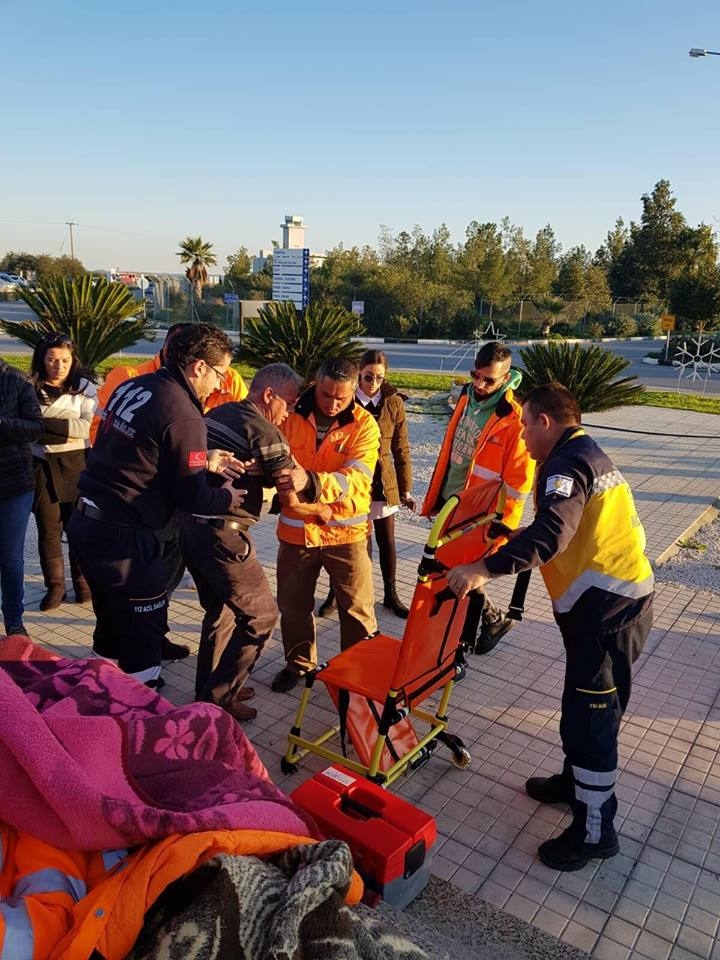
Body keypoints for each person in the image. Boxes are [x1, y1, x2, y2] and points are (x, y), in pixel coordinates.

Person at [447, 382, 654, 871]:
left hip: (609, 614)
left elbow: (555, 533)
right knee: (578, 707)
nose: (521, 436)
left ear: (544, 420)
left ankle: (595, 832)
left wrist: (483, 570)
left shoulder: (566, 462)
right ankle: (571, 781)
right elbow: (568, 524)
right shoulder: (579, 452)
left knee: (592, 720)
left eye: (524, 425)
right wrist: (516, 534)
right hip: (605, 608)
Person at [67, 323, 246, 688]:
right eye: (219, 375)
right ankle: (139, 714)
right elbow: (192, 497)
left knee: (110, 626)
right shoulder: (183, 413)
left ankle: (99, 696)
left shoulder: (133, 386)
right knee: (142, 638)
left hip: (87, 525)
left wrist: (201, 457)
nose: (220, 385)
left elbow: (136, 450)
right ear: (198, 367)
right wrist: (227, 497)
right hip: (126, 541)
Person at [178, 363, 315, 723]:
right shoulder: (264, 429)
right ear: (268, 395)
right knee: (261, 615)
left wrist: (265, 470)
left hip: (191, 528)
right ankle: (220, 698)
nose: (289, 413)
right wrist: (290, 477)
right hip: (224, 535)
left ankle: (211, 688)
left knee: (221, 611)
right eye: (288, 403)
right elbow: (289, 479)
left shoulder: (222, 412)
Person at [271, 357, 381, 694]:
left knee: (357, 609)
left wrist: (312, 482)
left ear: (354, 392)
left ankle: (356, 672)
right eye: (326, 394)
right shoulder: (288, 417)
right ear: (313, 385)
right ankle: (298, 663)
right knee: (293, 604)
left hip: (346, 536)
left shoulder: (365, 426)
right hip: (297, 534)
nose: (332, 404)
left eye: (342, 398)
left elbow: (357, 480)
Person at [421, 341, 534, 653]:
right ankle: (486, 621)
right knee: (449, 569)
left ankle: (467, 636)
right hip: (452, 505)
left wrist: (502, 527)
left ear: (507, 378)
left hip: (481, 516)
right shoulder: (466, 398)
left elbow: (519, 484)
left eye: (489, 380)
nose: (480, 384)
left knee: (458, 571)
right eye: (475, 375)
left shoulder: (513, 419)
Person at [318, 349, 414, 619]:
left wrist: (405, 487)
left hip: (384, 482)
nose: (373, 383)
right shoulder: (346, 399)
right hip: (351, 480)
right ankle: (337, 593)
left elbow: (401, 448)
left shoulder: (393, 403)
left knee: (387, 541)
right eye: (368, 377)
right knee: (351, 543)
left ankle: (391, 594)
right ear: (359, 374)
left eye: (379, 378)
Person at [29, 332, 98, 610]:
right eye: (52, 359)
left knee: (79, 529)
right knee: (48, 530)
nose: (59, 366)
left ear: (73, 360)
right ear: (42, 359)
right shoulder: (28, 386)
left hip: (78, 465)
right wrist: (62, 427)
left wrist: (44, 426)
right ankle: (55, 588)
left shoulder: (84, 386)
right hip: (42, 468)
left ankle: (83, 584)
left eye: (65, 360)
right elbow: (28, 429)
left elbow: (89, 426)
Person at [0, 360, 43, 636]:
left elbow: (35, 426)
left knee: (10, 558)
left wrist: (2, 423)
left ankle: (14, 622)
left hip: (13, 485)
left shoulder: (17, 380)